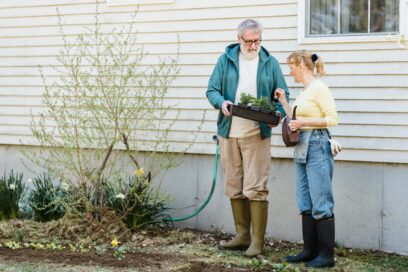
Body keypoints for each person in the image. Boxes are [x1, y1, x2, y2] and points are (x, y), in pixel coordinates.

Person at [206, 19, 289, 257]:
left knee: (257, 187)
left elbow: (283, 95)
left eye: (257, 40)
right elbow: (212, 90)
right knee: (234, 185)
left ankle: (257, 242)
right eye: (249, 41)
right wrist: (222, 103)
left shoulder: (269, 63)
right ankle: (242, 235)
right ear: (239, 39)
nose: (253, 46)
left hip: (256, 133)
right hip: (229, 133)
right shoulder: (226, 61)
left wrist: (277, 114)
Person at [275, 50, 338, 268]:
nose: (290, 72)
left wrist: (301, 123)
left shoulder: (320, 88)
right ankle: (310, 251)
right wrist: (284, 102)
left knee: (321, 200)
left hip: (317, 144)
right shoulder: (304, 92)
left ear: (301, 66)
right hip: (302, 146)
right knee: (305, 201)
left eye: (291, 67)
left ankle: (326, 256)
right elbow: (294, 118)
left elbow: (332, 119)